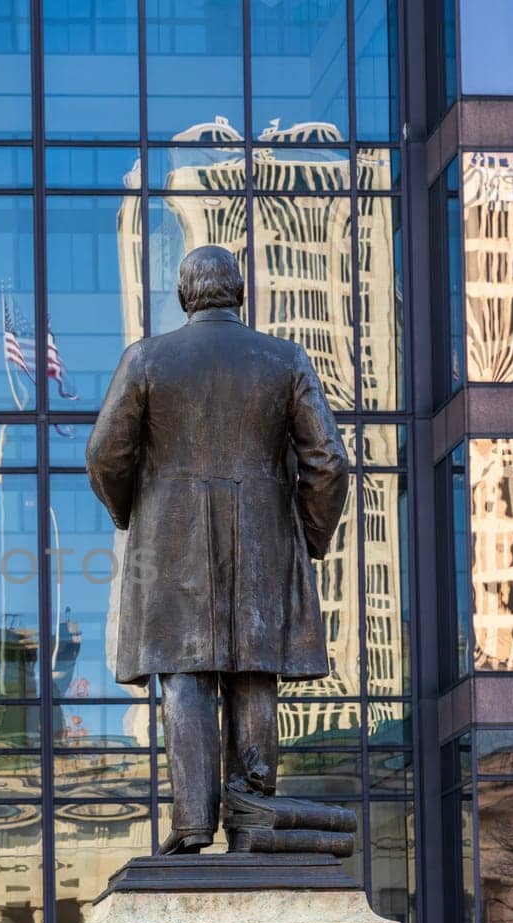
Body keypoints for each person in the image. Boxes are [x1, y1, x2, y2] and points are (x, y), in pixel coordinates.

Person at [85, 245, 350, 855]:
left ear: (185, 296)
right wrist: (307, 536)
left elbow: (104, 454)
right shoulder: (284, 360)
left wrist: (135, 512)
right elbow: (328, 463)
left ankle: (193, 825)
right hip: (263, 540)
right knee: (254, 676)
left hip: (172, 541)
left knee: (186, 679)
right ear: (238, 296)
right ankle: (254, 820)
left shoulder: (147, 359)